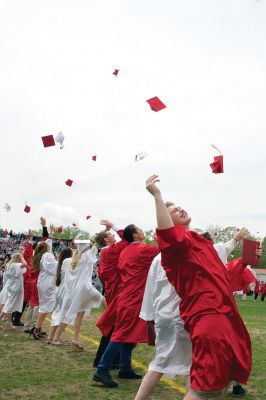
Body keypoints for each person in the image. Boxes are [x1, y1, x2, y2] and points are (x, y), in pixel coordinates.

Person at [145, 174, 251, 400]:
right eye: (173, 211)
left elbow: (222, 251)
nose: (180, 209)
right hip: (208, 315)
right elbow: (166, 233)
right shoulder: (177, 247)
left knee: (219, 383)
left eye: (180, 207)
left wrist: (241, 246)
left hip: (223, 314)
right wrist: (157, 196)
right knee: (206, 387)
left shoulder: (200, 242)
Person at [93, 224, 160, 388]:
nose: (143, 230)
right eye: (140, 229)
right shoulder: (143, 249)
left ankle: (124, 367)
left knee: (128, 334)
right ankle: (102, 369)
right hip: (133, 298)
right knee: (121, 334)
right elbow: (164, 250)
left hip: (127, 297)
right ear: (136, 235)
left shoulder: (125, 251)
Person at [51, 240, 104, 349]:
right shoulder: (85, 258)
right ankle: (56, 339)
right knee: (69, 317)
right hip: (81, 292)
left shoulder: (69, 261)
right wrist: (107, 230)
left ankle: (74, 339)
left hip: (71, 293)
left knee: (75, 316)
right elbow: (98, 243)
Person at [93, 219, 128, 368]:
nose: (114, 235)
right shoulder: (110, 251)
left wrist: (107, 230)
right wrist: (113, 225)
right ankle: (102, 360)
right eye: (110, 234)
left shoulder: (106, 251)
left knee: (115, 327)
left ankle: (113, 360)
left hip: (113, 291)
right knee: (114, 328)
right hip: (116, 293)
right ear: (106, 239)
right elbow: (126, 238)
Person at [29, 239, 57, 340]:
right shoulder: (47, 255)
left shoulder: (41, 256)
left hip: (43, 282)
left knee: (43, 307)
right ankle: (36, 328)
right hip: (47, 283)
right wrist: (62, 262)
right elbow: (52, 268)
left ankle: (37, 328)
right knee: (45, 307)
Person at [46, 247, 73, 343]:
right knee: (66, 316)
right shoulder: (69, 262)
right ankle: (55, 338)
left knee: (57, 314)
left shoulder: (59, 263)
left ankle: (50, 337)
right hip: (66, 291)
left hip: (59, 290)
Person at [0, 252, 28, 325]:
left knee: (10, 304)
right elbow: (25, 264)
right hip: (15, 287)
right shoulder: (15, 265)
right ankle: (2, 317)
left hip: (12, 286)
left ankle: (9, 321)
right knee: (8, 305)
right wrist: (22, 257)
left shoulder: (10, 264)